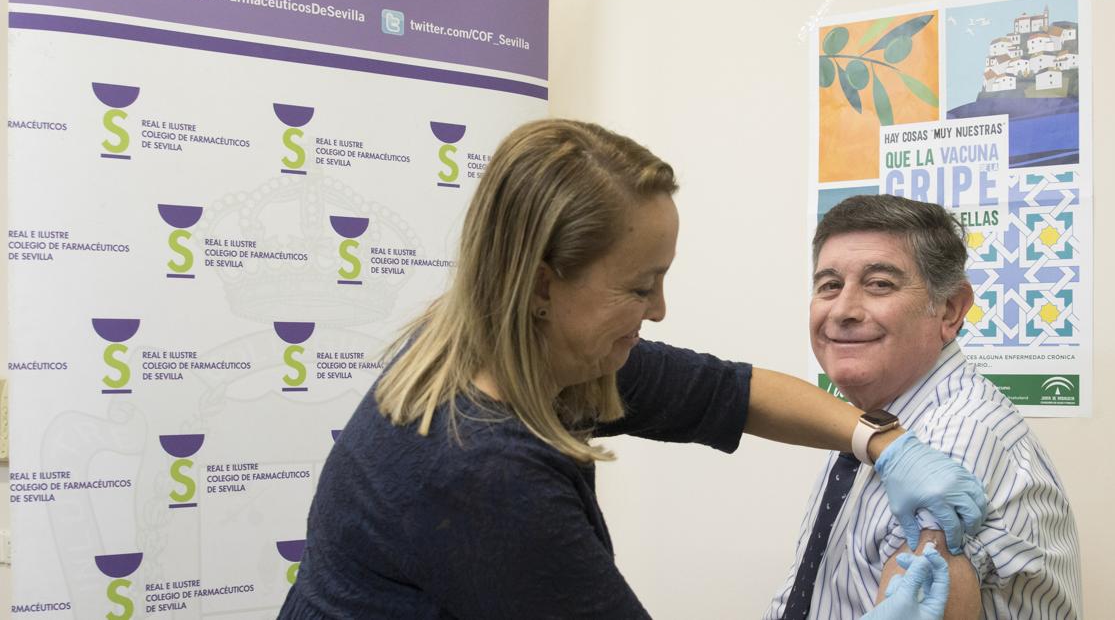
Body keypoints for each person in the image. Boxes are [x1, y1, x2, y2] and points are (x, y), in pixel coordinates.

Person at [278, 120, 986, 619]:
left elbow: (725, 392)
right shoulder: (477, 473)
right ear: (541, 285)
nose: (660, 310)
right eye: (639, 287)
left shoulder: (519, 346)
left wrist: (883, 444)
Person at [764, 194, 1082, 619]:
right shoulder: (876, 422)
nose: (842, 310)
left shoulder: (950, 445)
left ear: (950, 309)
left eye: (880, 284)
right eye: (829, 285)